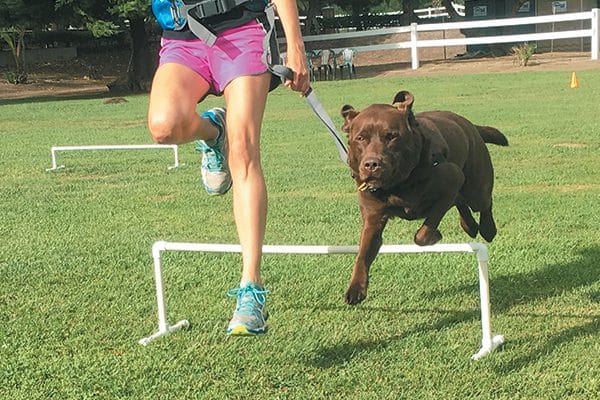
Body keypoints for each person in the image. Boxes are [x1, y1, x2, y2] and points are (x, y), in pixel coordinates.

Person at [147, 0, 309, 336]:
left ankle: (251, 289)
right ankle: (213, 131)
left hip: (241, 28)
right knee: (164, 127)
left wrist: (295, 46)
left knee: (244, 151)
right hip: (183, 35)